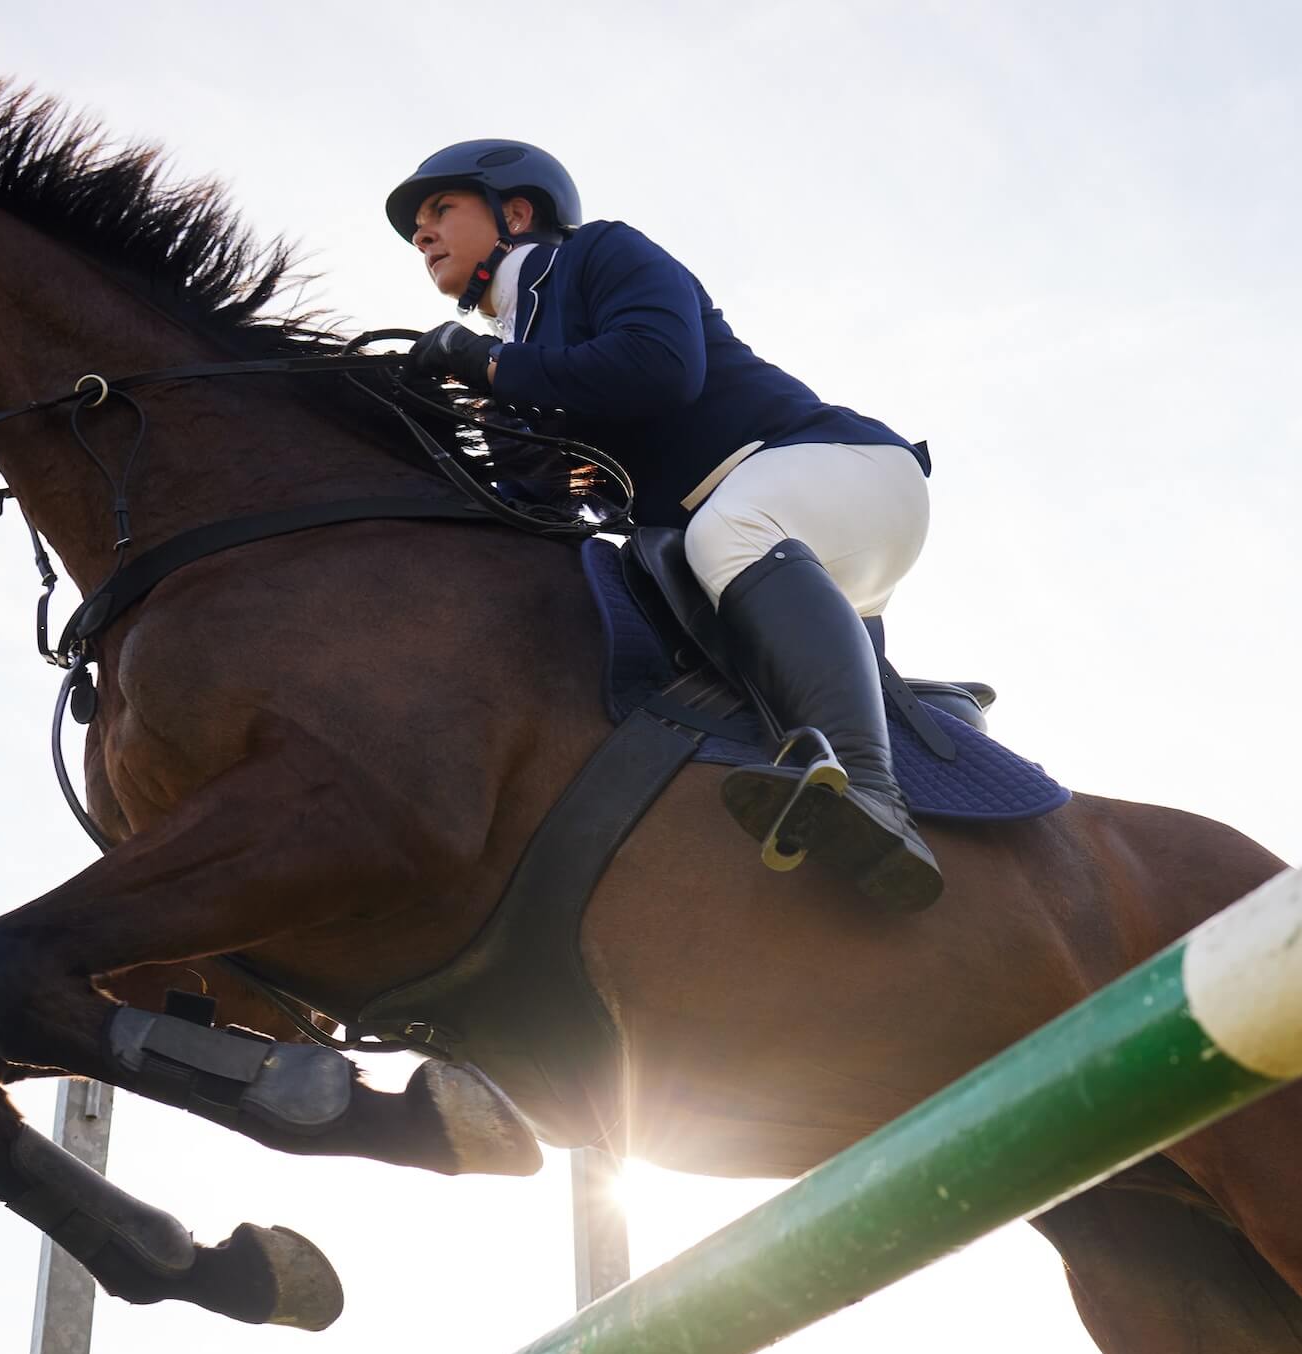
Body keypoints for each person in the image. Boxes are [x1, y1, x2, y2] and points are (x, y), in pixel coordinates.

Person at [387, 140, 942, 912]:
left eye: (441, 209)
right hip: (766, 551)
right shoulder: (512, 355)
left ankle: (872, 789)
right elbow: (534, 508)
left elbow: (658, 365)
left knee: (725, 534)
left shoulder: (598, 252)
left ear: (515, 211)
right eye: (418, 224)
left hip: (836, 470)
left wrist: (488, 366)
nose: (421, 233)